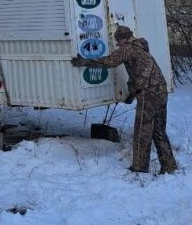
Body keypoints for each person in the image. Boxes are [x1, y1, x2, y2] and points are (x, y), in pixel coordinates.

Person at [72, 25, 177, 174]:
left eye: (118, 42)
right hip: (161, 92)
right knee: (159, 131)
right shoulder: (141, 49)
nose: (118, 45)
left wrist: (85, 62)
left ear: (122, 39)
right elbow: (139, 75)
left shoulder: (129, 48)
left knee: (142, 131)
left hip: (149, 94)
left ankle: (140, 168)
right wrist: (131, 95)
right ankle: (169, 167)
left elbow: (109, 61)